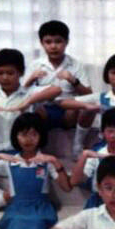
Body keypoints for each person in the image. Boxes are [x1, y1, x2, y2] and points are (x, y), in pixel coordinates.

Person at [0, 48, 61, 211]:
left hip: (19, 153)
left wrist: (28, 102)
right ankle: (2, 197)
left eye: (10, 73)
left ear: (20, 73)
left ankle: (0, 201)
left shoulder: (29, 92)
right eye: (0, 73)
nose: (4, 77)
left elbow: (57, 89)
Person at [23, 20, 93, 156]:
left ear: (67, 42)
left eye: (58, 41)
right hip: (44, 112)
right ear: (42, 43)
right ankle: (36, 148)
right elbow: (20, 94)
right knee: (32, 106)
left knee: (89, 105)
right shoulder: (35, 65)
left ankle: (78, 144)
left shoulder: (76, 64)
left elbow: (89, 94)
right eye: (48, 42)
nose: (53, 46)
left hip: (68, 112)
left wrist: (73, 80)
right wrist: (31, 79)